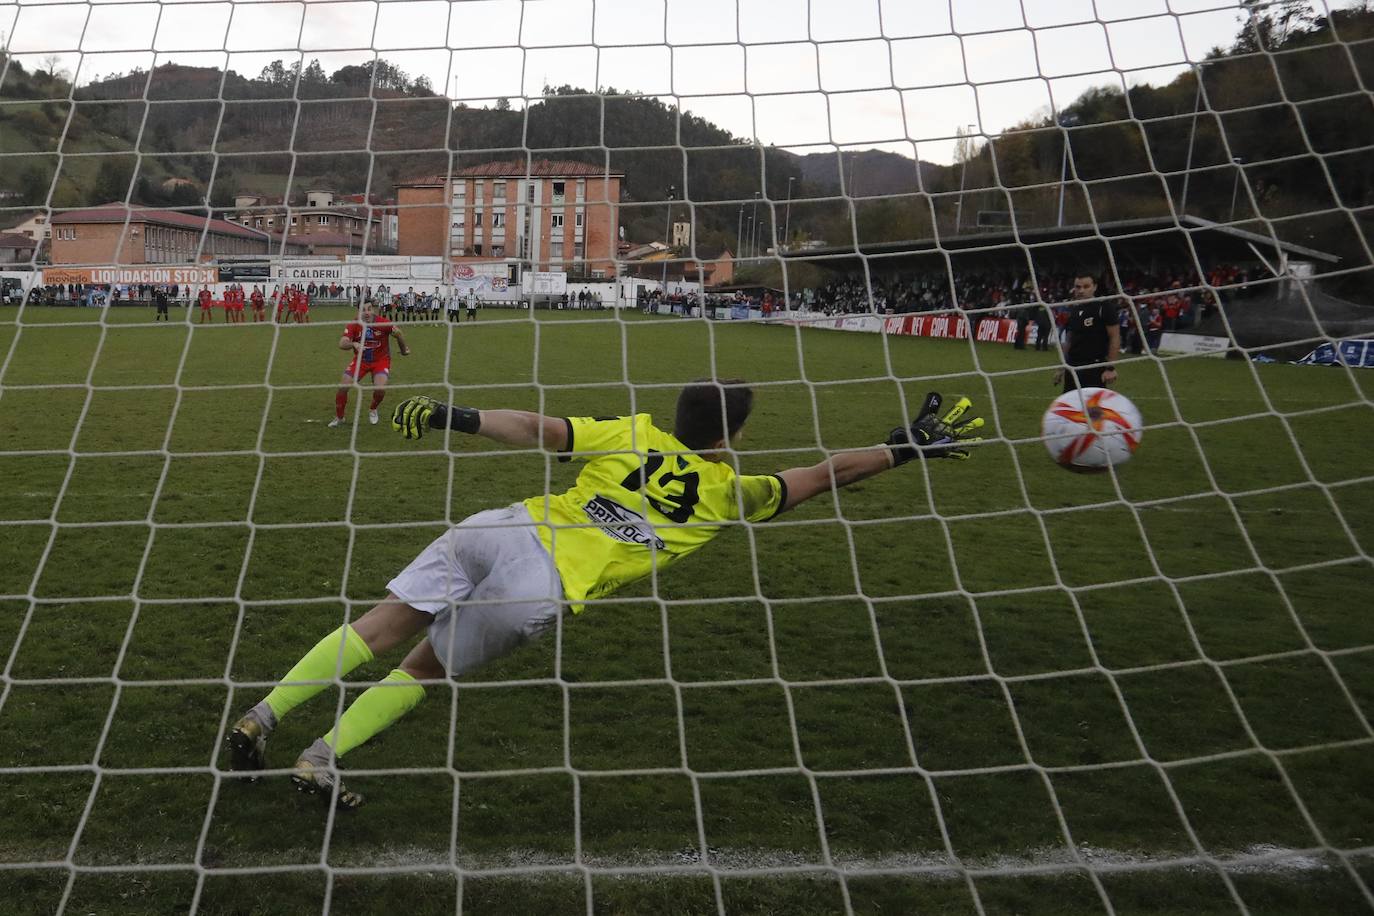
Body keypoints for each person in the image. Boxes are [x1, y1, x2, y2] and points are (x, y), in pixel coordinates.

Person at [225, 381, 983, 807]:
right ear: (735, 436)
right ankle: (319, 759)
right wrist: (900, 449)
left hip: (501, 526)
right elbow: (824, 475)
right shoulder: (728, 492)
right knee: (419, 669)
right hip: (545, 582)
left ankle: (260, 717)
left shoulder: (632, 431)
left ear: (677, 416)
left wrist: (454, 417)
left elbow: (532, 425)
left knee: (376, 627)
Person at [328, 300, 411, 428]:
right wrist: (353, 344)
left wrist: (404, 350)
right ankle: (340, 417)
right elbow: (342, 343)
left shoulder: (383, 323)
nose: (366, 312)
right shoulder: (354, 324)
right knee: (343, 387)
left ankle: (373, 409)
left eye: (369, 309)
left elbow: (398, 334)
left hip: (380, 361)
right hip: (361, 361)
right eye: (363, 310)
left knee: (380, 389)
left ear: (373, 309)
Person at [1052, 272, 1120, 393]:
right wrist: (1061, 367)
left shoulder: (1103, 307)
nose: (1081, 290)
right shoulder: (1074, 309)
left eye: (1086, 286)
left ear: (1095, 287)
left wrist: (1110, 368)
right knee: (1071, 408)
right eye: (1078, 287)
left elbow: (1115, 337)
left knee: (1092, 409)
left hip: (1094, 367)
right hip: (1072, 367)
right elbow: (1069, 340)